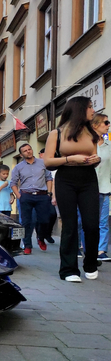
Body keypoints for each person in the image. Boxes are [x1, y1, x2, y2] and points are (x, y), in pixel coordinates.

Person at [43, 96, 101, 282]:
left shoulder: (91, 132)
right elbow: (48, 161)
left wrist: (96, 160)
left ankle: (90, 263)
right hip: (66, 179)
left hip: (88, 179)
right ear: (79, 109)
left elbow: (94, 156)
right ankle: (68, 270)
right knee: (70, 225)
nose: (93, 111)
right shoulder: (57, 133)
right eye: (90, 107)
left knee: (91, 224)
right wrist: (70, 159)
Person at [10, 143, 53, 255]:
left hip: (42, 195)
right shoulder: (18, 167)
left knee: (44, 220)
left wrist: (49, 193)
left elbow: (49, 178)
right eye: (25, 151)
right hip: (26, 195)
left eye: (29, 149)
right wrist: (19, 196)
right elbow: (13, 183)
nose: (28, 151)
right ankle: (27, 245)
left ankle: (41, 238)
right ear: (21, 154)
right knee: (26, 222)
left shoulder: (43, 163)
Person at [91, 113, 110, 261]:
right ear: (95, 125)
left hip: (104, 188)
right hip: (87, 189)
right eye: (106, 122)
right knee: (86, 222)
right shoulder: (87, 143)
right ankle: (85, 247)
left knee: (103, 222)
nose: (108, 125)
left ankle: (101, 251)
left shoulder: (109, 147)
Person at [33, 148, 58, 243]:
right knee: (37, 217)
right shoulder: (37, 166)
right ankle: (40, 236)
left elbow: (53, 181)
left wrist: (52, 195)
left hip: (49, 194)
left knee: (52, 214)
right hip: (38, 194)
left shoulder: (53, 165)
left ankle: (47, 234)